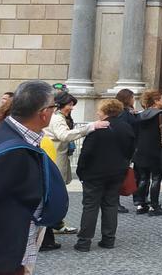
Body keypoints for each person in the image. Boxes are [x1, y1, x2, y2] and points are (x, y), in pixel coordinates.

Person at [0, 81, 56, 275]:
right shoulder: (13, 149)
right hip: (3, 252)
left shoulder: (5, 133)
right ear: (44, 112)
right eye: (54, 107)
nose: (55, 111)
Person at [41, 91, 110, 250]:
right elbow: (64, 135)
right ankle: (54, 225)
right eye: (70, 104)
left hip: (58, 156)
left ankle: (56, 224)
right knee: (54, 193)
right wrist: (90, 127)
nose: (71, 108)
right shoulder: (57, 118)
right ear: (60, 104)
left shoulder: (58, 117)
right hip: (55, 157)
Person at [74, 99, 135, 252]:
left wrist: (81, 171)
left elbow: (86, 153)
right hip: (117, 172)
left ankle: (84, 241)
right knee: (111, 205)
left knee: (90, 206)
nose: (97, 112)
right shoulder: (126, 127)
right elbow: (131, 150)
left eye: (99, 110)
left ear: (105, 111)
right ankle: (108, 239)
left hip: (94, 174)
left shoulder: (98, 128)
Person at [132, 90, 162, 216]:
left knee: (143, 178)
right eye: (161, 99)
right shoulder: (161, 115)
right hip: (156, 150)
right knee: (156, 178)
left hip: (141, 151)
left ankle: (140, 204)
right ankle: (154, 206)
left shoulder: (139, 115)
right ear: (155, 101)